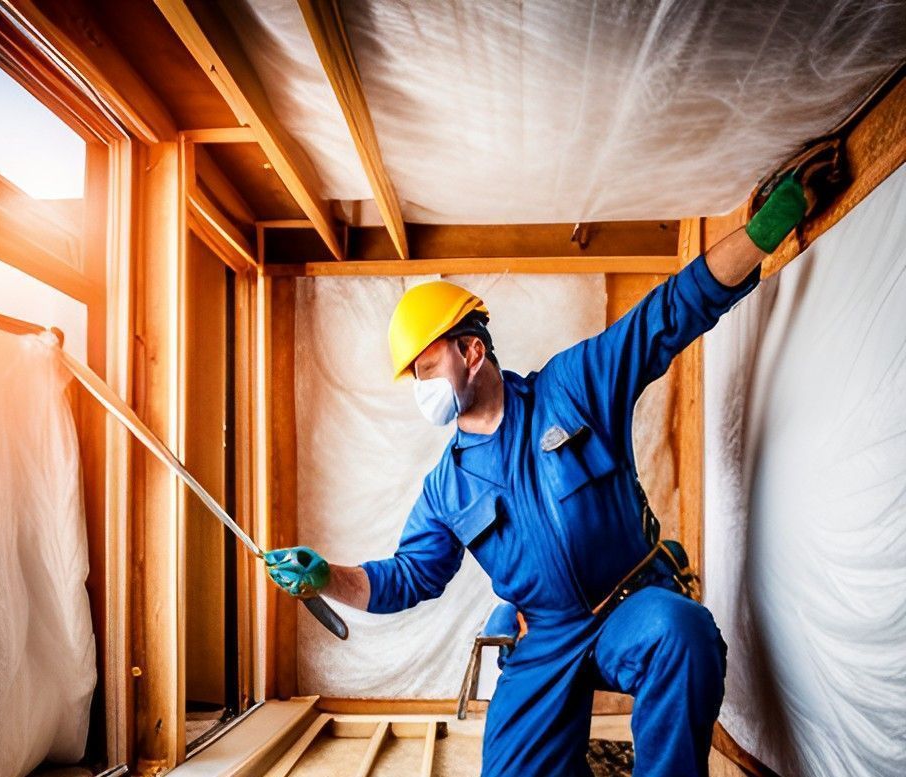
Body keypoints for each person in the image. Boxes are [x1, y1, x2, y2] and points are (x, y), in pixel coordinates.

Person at [263, 173, 814, 776]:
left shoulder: (573, 389)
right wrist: (325, 577)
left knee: (683, 634)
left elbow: (666, 316)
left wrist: (758, 237)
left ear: (471, 351)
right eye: (414, 377)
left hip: (628, 604)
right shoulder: (447, 488)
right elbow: (407, 579)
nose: (421, 388)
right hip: (545, 639)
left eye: (426, 367)